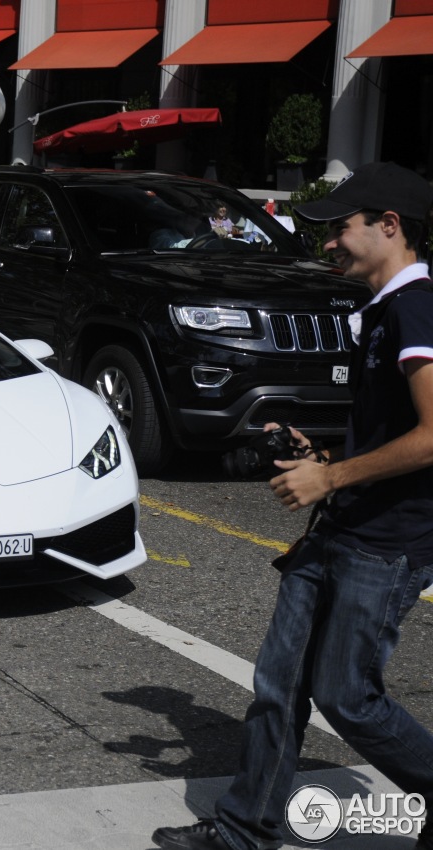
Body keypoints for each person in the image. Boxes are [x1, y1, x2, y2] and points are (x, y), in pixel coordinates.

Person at [152, 161, 433, 850]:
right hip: (343, 526)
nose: (329, 242)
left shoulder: (416, 307)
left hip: (386, 540)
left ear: (389, 226)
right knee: (279, 683)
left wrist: (330, 481)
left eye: (341, 227)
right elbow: (393, 430)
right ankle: (245, 831)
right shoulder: (381, 310)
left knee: (348, 697)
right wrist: (325, 457)